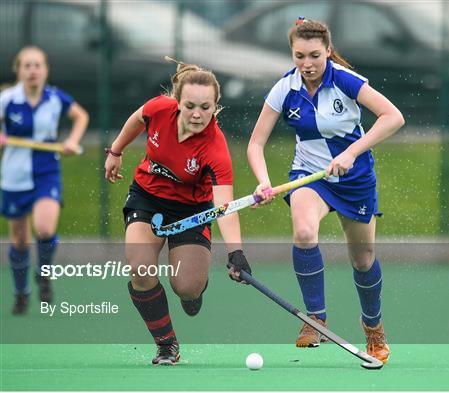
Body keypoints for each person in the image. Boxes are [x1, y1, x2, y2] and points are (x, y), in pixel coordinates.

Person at [247, 18, 404, 364]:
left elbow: (393, 117)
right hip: (310, 175)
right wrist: (262, 180)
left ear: (328, 51)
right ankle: (315, 319)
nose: (307, 64)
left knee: (362, 260)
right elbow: (256, 143)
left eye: (315, 55)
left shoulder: (346, 80)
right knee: (304, 232)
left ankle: (373, 328)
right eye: (299, 56)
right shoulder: (284, 88)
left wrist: (351, 152)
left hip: (355, 177)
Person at [104, 60, 251, 366]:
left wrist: (236, 252)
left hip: (191, 211)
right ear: (177, 101)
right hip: (147, 197)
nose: (197, 114)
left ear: (215, 107)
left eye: (205, 107)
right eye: (190, 106)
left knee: (186, 286)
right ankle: (166, 344)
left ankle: (194, 291)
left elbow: (224, 204)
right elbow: (136, 119)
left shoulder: (215, 147)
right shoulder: (159, 109)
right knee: (141, 268)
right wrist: (116, 151)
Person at [0, 46, 88, 315]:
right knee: (19, 241)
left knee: (45, 229)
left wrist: (72, 141)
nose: (33, 70)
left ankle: (43, 273)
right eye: (27, 65)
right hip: (14, 175)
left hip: (46, 170)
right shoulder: (7, 99)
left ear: (45, 70)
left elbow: (81, 116)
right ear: (19, 70)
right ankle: (21, 292)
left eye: (37, 65)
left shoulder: (54, 98)